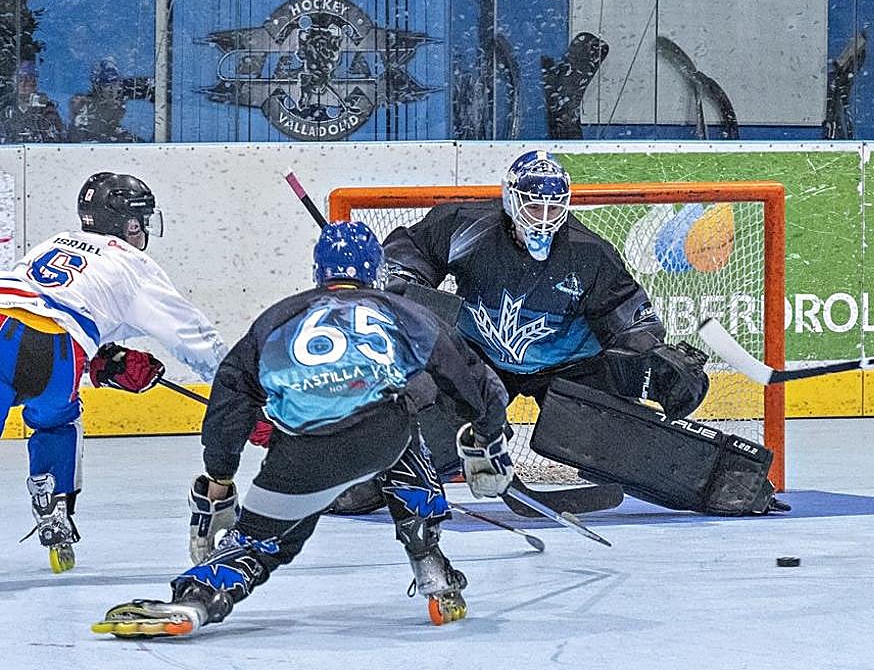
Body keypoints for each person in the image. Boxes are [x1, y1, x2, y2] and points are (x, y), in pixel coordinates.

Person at [93, 221, 513, 639]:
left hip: (300, 451)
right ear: (375, 271)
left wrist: (219, 475)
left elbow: (229, 397)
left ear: (318, 271)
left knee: (259, 542)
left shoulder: (276, 317)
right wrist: (485, 439)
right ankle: (429, 560)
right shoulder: (406, 312)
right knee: (401, 414)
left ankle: (198, 600)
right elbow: (474, 379)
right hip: (380, 436)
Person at [366, 150, 780, 517]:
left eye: (553, 208)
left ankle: (734, 486)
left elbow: (630, 318)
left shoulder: (588, 252)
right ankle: (356, 481)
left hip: (568, 366)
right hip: (482, 357)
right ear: (511, 200)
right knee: (429, 429)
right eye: (533, 208)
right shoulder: (466, 225)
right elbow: (411, 250)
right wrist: (405, 281)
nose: (544, 220)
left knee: (626, 445)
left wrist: (653, 359)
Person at [0, 172, 226, 572]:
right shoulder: (133, 263)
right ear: (130, 224)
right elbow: (195, 339)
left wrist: (103, 355)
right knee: (57, 420)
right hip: (56, 352)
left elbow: (39, 301)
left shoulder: (53, 242)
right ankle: (55, 499)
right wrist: (240, 390)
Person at [67, 57, 152, 143]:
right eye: (106, 84)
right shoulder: (85, 108)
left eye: (115, 83)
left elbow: (154, 88)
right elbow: (83, 138)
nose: (112, 89)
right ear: (98, 87)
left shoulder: (125, 98)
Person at [1, 61, 65, 143]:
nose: (23, 84)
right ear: (14, 82)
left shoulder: (46, 107)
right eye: (20, 80)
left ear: (35, 83)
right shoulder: (5, 105)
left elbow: (57, 136)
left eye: (28, 80)